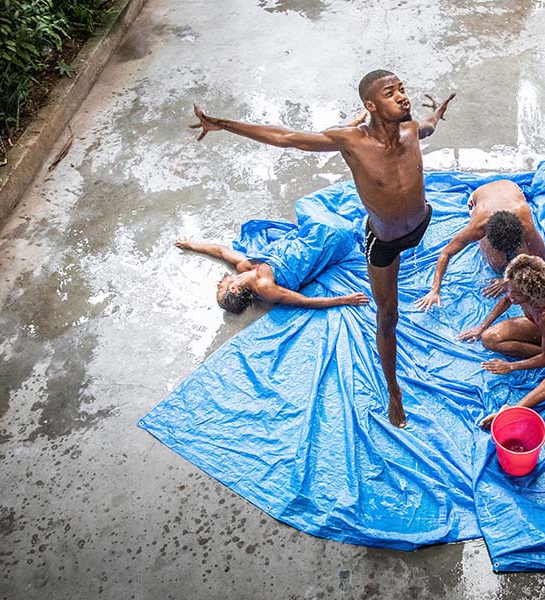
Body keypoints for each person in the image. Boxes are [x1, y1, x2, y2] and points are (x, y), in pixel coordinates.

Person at [190, 70, 455, 428]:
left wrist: (438, 112)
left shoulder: (410, 130)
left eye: (402, 90)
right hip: (387, 242)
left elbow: (429, 126)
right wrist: (222, 123)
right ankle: (394, 390)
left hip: (421, 223)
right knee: (387, 316)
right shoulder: (352, 141)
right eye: (391, 93)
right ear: (370, 106)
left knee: (399, 282)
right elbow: (286, 138)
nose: (402, 97)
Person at [457, 255, 545, 429]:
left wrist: (512, 366)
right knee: (489, 338)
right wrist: (481, 328)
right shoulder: (517, 287)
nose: (510, 295)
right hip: (543, 329)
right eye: (510, 289)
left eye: (516, 293)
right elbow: (506, 300)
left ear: (531, 296)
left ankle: (514, 409)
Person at [414, 180, 545, 310]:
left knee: (524, 254)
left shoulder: (525, 220)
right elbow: (446, 253)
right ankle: (497, 250)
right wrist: (435, 290)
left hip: (511, 188)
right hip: (478, 199)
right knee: (498, 263)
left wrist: (511, 281)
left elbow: (540, 258)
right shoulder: (478, 226)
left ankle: (514, 249)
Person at [175, 238, 368, 312]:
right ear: (233, 289)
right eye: (220, 289)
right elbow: (304, 301)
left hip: (295, 243)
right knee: (339, 234)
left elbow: (220, 251)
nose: (218, 284)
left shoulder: (243, 268)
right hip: (309, 253)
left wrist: (191, 245)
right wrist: (345, 299)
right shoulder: (264, 288)